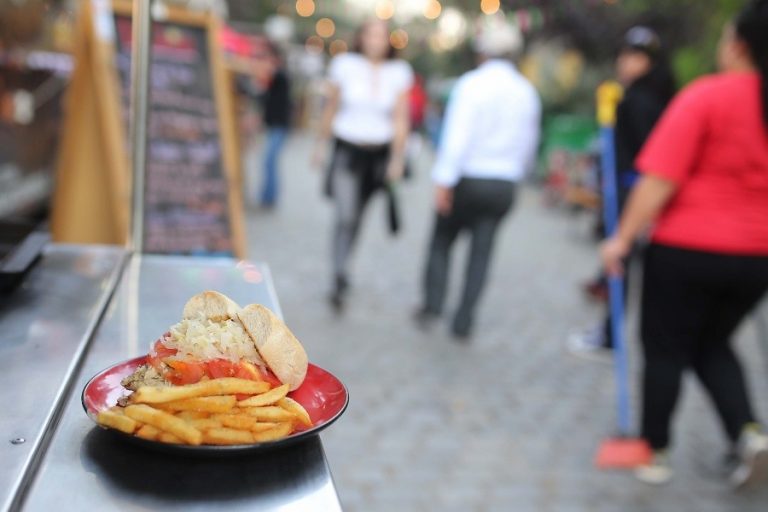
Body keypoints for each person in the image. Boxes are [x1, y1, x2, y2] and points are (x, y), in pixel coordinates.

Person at [601, 0, 768, 486]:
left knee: (666, 347)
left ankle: (654, 449)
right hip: (756, 255)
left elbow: (660, 178)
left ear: (738, 47)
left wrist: (621, 239)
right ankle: (748, 433)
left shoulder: (708, 96)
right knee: (711, 342)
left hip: (687, 247)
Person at [414, 21, 541, 339]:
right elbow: (529, 144)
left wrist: (443, 180)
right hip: (503, 182)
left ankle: (433, 305)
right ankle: (464, 319)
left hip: (468, 178)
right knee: (482, 252)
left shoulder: (471, 84)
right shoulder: (526, 92)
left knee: (442, 241)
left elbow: (456, 138)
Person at [569, 26, 675, 359]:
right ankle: (610, 329)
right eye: (625, 55)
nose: (626, 62)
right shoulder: (640, 97)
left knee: (620, 264)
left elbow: (647, 156)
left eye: (636, 57)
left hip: (633, 195)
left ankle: (612, 334)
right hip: (631, 191)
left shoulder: (640, 101)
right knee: (621, 266)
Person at [313, 19, 413, 311]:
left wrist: (397, 158)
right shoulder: (345, 65)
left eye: (380, 36)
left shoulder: (398, 72)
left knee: (358, 217)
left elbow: (401, 118)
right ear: (361, 37)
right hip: (347, 150)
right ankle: (337, 271)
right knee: (345, 214)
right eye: (370, 35)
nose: (375, 41)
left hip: (377, 155)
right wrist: (320, 145)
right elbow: (331, 107)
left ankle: (344, 265)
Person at [259, 43, 291, 208]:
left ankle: (269, 197)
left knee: (269, 161)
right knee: (269, 161)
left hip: (279, 126)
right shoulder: (278, 76)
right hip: (275, 125)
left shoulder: (280, 75)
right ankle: (267, 196)